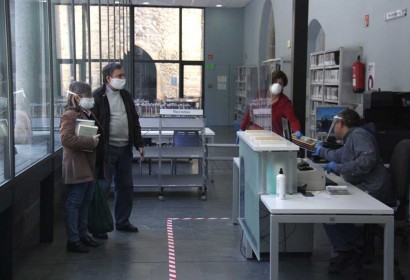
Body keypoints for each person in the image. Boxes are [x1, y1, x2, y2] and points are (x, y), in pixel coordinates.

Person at [312, 108, 394, 273]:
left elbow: (367, 159)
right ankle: (349, 248)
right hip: (366, 187)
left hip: (373, 190)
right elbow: (341, 155)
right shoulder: (353, 137)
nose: (333, 128)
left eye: (335, 124)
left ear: (341, 123)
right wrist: (321, 151)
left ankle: (353, 246)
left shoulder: (358, 136)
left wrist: (340, 167)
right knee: (328, 208)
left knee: (330, 211)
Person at [92, 62, 144, 239]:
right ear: (108, 78)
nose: (123, 79)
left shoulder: (126, 96)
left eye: (123, 75)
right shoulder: (97, 97)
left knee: (125, 187)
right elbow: (93, 123)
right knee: (104, 187)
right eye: (119, 76)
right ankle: (99, 226)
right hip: (107, 151)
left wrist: (139, 144)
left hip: (125, 149)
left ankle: (123, 221)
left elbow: (134, 121)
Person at [60, 81, 101, 253]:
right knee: (75, 202)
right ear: (77, 98)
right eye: (88, 96)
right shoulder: (69, 115)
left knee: (85, 202)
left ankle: (83, 234)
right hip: (77, 165)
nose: (91, 99)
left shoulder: (86, 113)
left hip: (88, 165)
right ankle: (73, 239)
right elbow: (66, 139)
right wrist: (90, 141)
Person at [240, 70, 302, 138]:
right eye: (275, 82)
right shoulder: (261, 95)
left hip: (274, 139)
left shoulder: (285, 102)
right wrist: (242, 129)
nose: (277, 85)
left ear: (283, 86)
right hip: (257, 137)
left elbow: (293, 120)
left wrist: (297, 130)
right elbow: (250, 113)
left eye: (280, 83)